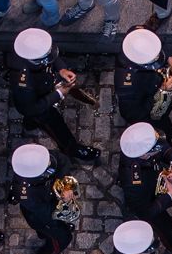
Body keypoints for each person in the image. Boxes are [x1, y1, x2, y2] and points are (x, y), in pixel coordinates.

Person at [9, 26, 102, 162]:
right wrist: (59, 94)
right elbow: (31, 108)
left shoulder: (30, 49)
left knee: (32, 120)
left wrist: (62, 69)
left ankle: (30, 123)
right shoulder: (23, 82)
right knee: (56, 127)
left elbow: (51, 56)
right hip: (38, 103)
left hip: (43, 87)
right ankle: (72, 149)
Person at [8, 142, 78, 254]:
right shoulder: (25, 193)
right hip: (41, 217)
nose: (49, 162)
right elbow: (46, 213)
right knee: (63, 238)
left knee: (49, 232)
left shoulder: (40, 157)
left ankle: (44, 235)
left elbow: (62, 161)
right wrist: (64, 204)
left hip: (49, 201)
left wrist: (66, 186)